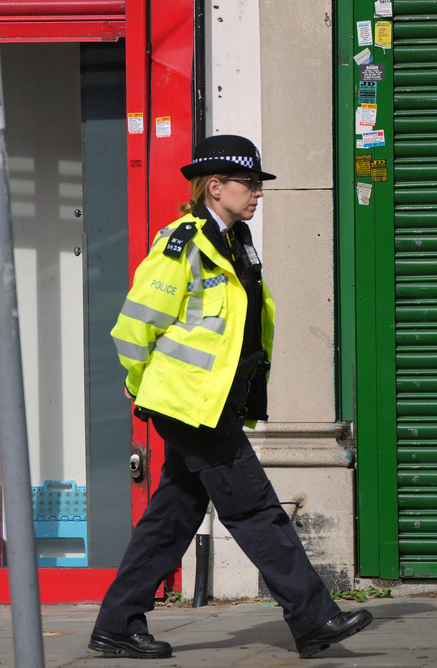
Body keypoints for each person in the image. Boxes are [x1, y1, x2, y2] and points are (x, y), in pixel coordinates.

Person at [89, 135, 373, 659]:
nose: (257, 192)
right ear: (214, 187)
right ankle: (314, 618)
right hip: (188, 406)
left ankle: (117, 622)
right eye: (249, 183)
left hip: (212, 402)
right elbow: (132, 329)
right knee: (255, 509)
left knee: (173, 512)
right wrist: (143, 385)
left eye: (259, 184)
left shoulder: (237, 239)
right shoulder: (184, 241)